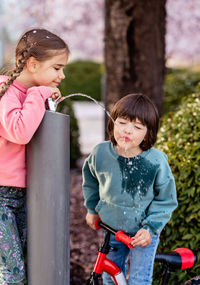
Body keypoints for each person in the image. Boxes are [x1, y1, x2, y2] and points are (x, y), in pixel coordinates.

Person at [82, 94, 178, 285]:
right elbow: (91, 180)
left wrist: (150, 227)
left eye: (137, 127)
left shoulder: (155, 162)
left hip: (143, 233)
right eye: (123, 122)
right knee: (110, 277)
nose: (127, 130)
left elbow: (166, 199)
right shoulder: (100, 153)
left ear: (148, 133)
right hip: (112, 229)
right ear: (113, 122)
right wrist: (92, 209)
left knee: (138, 281)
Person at [0, 28, 69, 285]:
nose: (62, 75)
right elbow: (19, 132)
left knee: (31, 268)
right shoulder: (5, 92)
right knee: (13, 274)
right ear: (32, 64)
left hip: (25, 195)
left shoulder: (32, 96)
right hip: (1, 198)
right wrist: (38, 95)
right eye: (57, 68)